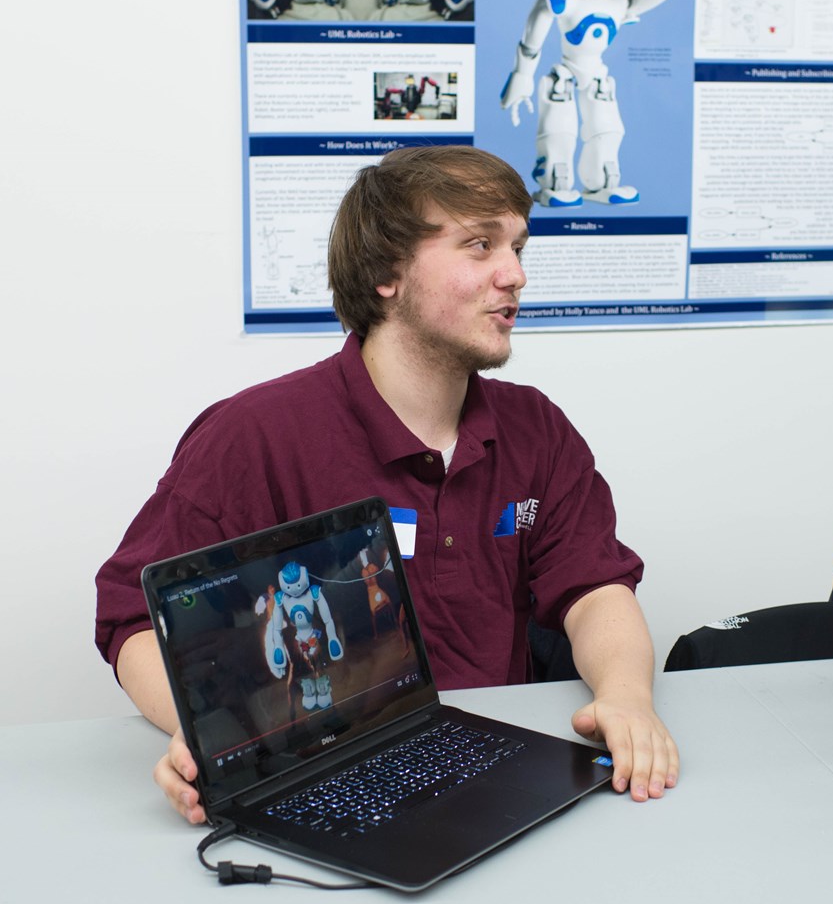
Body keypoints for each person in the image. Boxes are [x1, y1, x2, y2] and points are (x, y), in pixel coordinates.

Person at [95, 145, 678, 821]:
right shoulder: (254, 435)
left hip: (495, 768)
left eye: (517, 246)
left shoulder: (535, 428)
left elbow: (593, 587)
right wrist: (214, 737)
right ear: (386, 275)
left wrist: (627, 695)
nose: (514, 274)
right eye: (479, 245)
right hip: (326, 769)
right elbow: (135, 620)